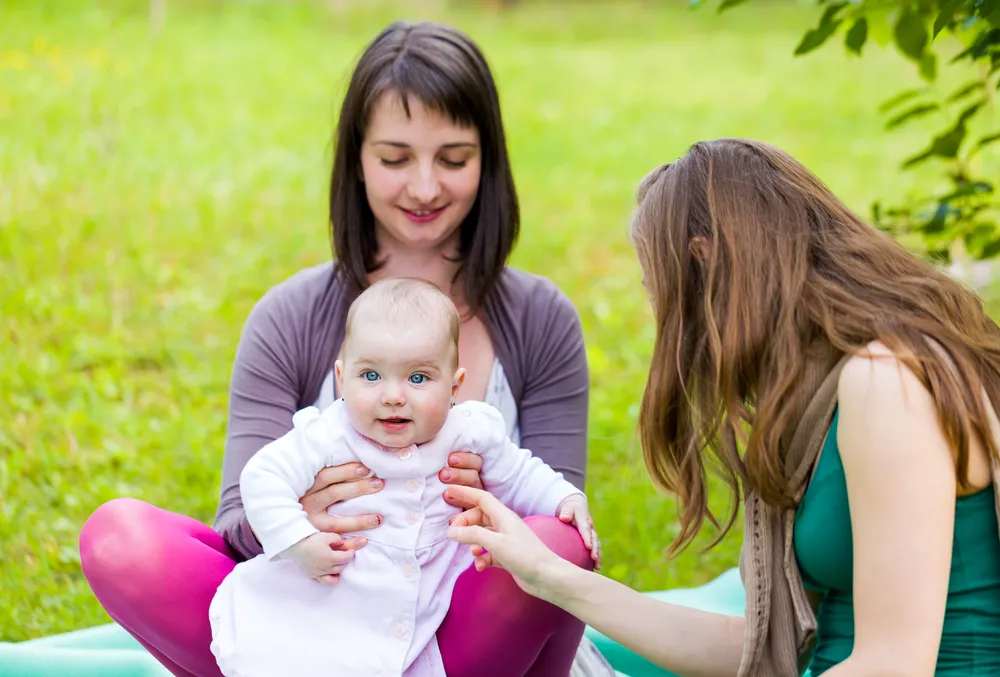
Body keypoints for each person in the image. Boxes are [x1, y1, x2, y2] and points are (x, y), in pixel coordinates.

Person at [78, 20, 614, 677]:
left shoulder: (540, 320)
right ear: (356, 160)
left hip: (473, 634)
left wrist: (490, 510)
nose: (424, 187)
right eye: (394, 158)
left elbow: (563, 531)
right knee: (120, 540)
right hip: (316, 621)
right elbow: (239, 521)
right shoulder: (290, 318)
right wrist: (300, 518)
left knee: (556, 544)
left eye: (453, 158)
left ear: (489, 160)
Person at [445, 138, 1000, 676]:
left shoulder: (886, 382)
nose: (662, 320)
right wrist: (548, 575)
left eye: (657, 290)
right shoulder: (813, 397)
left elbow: (893, 666)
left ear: (704, 263)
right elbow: (759, 651)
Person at [209, 277, 600, 677]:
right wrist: (298, 540)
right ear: (342, 378)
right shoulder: (328, 435)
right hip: (339, 598)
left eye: (417, 378)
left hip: (437, 606)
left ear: (455, 385)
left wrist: (564, 498)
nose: (393, 395)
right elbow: (262, 477)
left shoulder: (470, 432)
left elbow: (521, 474)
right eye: (371, 376)